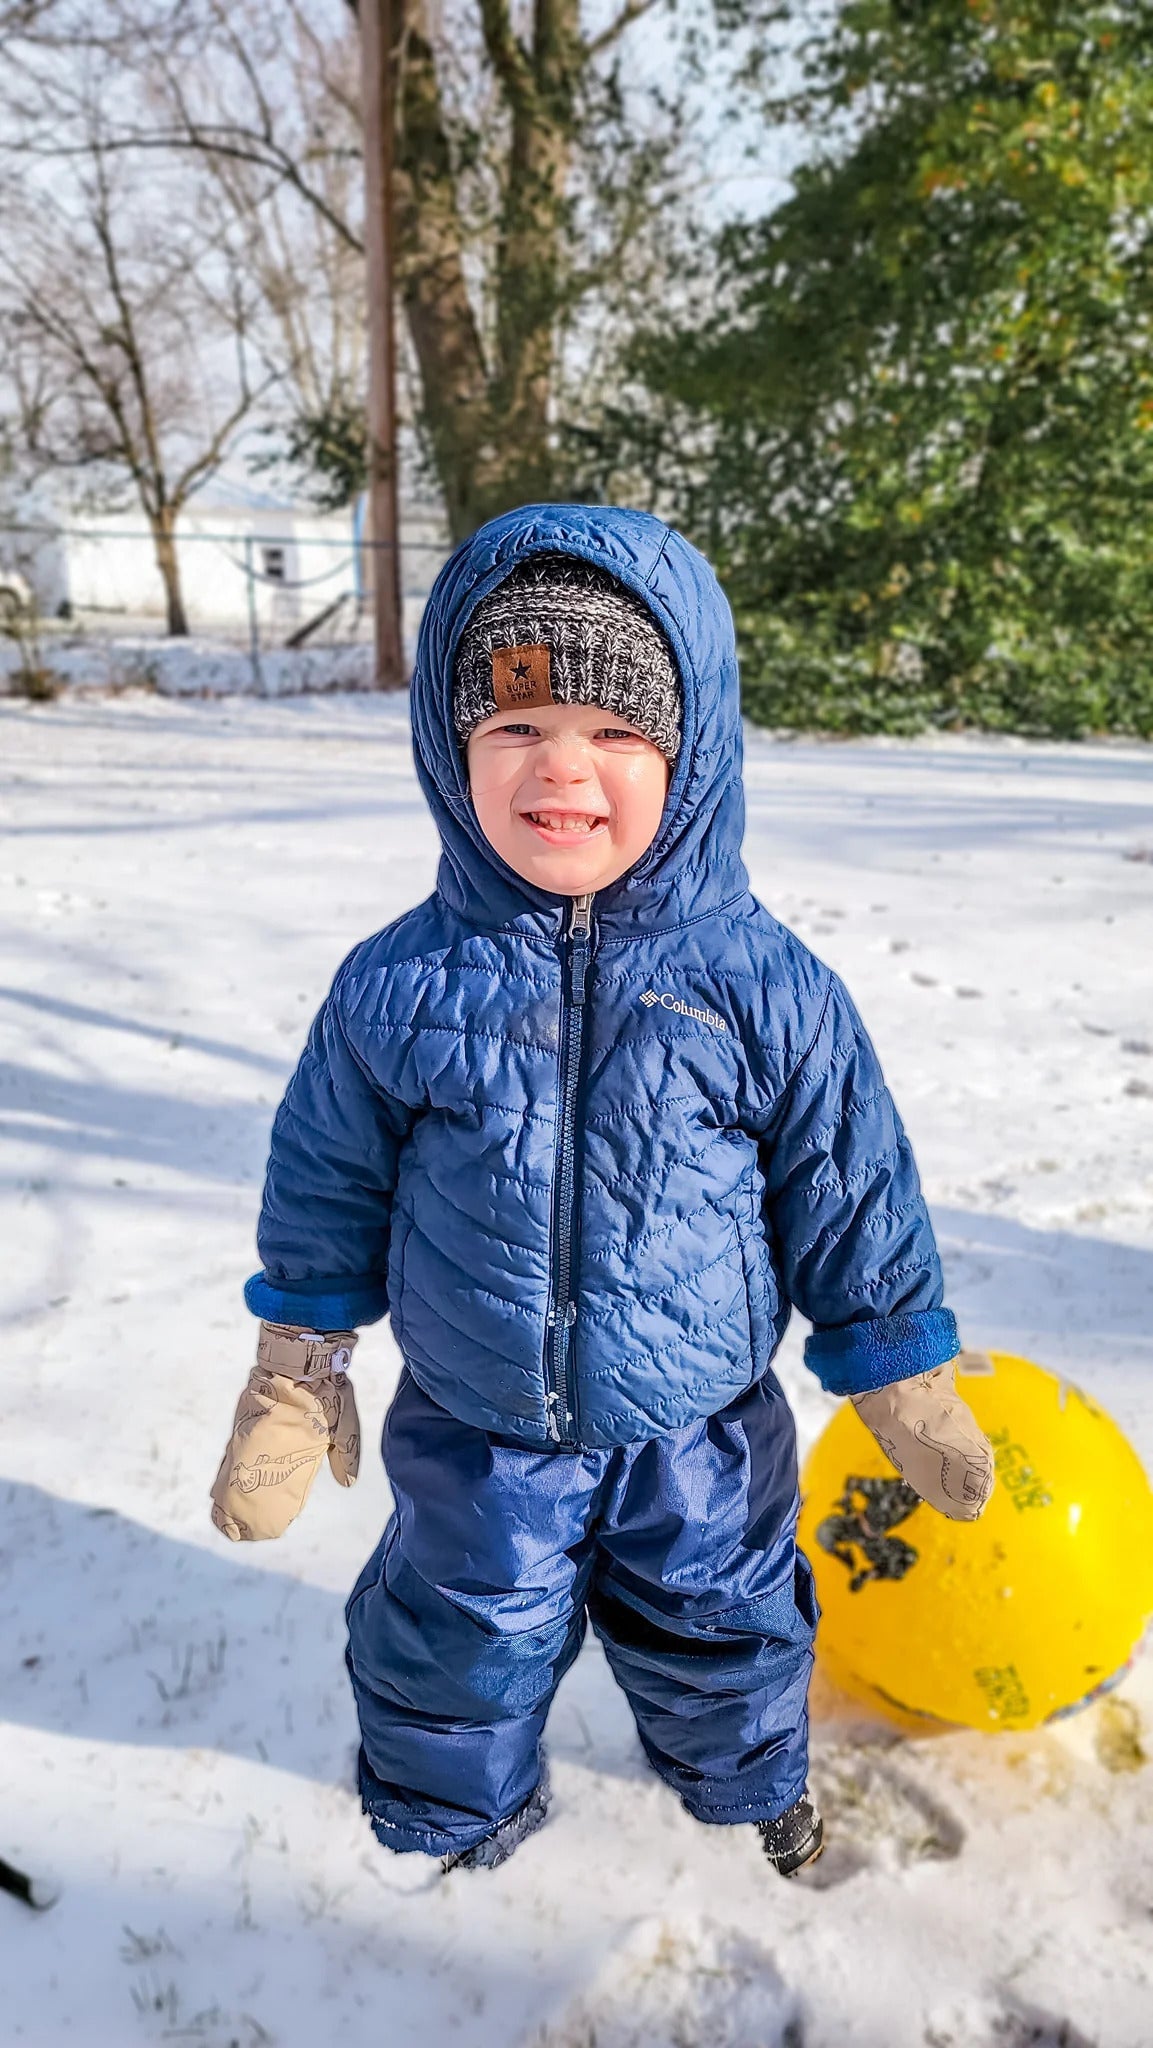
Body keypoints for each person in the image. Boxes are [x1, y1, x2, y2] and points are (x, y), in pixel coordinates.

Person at [211, 504, 994, 1879]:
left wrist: (896, 1366)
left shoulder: (767, 988)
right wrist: (296, 1365)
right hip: (476, 1422)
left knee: (725, 1621)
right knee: (453, 1629)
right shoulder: (395, 986)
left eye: (617, 734)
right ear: (454, 755)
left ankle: (749, 1786)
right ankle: (454, 1819)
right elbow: (327, 1181)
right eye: (515, 729)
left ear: (688, 761)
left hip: (698, 1422)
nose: (561, 771)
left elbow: (847, 1183)